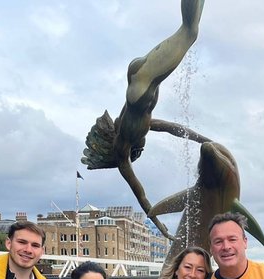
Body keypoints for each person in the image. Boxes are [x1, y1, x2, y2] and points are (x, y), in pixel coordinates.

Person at [82, 0, 204, 238]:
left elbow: (141, 194)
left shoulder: (124, 148)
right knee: (191, 32)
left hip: (141, 87)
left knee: (188, 32)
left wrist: (159, 226)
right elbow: (175, 129)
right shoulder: (142, 126)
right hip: (140, 81)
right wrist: (206, 141)